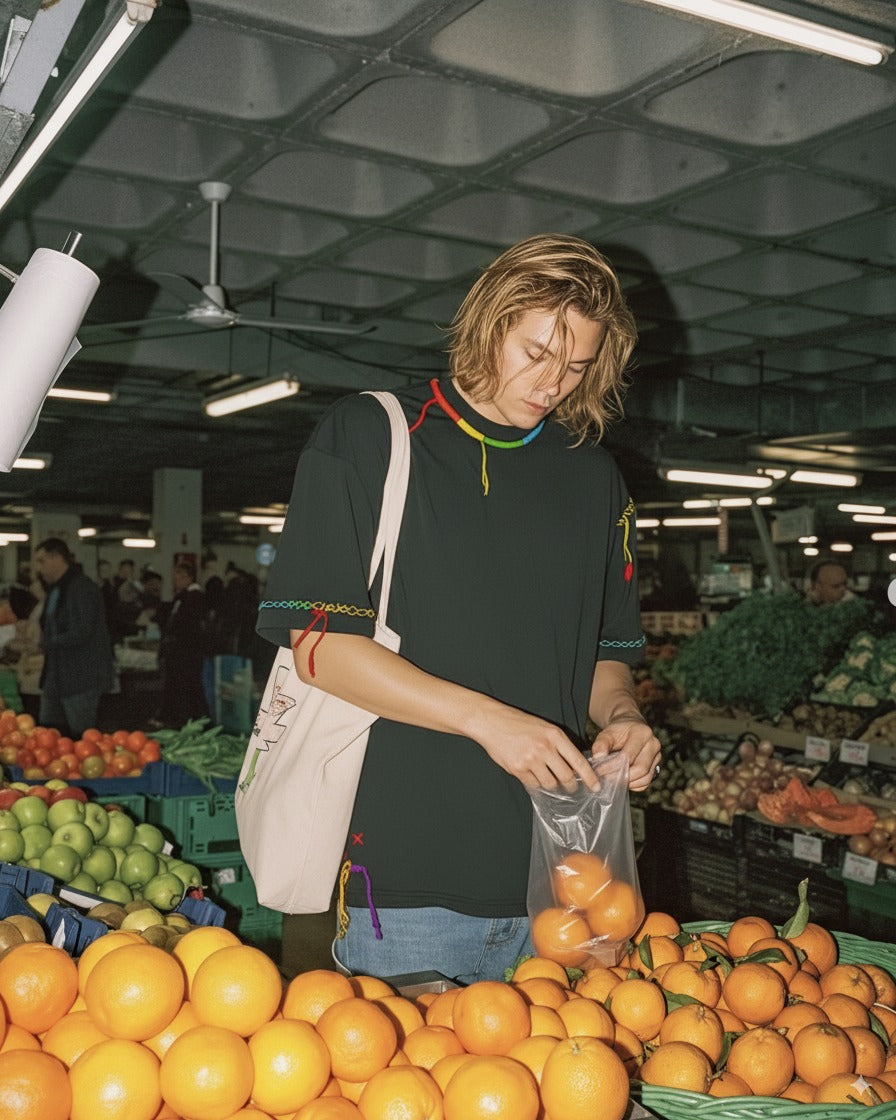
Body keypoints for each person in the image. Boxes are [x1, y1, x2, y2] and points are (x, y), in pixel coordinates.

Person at [257, 234, 661, 984]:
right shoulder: (373, 435)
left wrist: (625, 717)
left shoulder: (595, 478)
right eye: (537, 353)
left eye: (577, 367)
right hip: (411, 881)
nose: (553, 384)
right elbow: (318, 644)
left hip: (568, 880)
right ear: (488, 322)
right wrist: (485, 719)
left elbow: (607, 653)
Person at [33, 538, 114, 737]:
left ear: (56, 558)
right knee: (48, 736)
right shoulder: (55, 590)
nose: (39, 568)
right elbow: (49, 624)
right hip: (56, 677)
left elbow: (82, 631)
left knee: (81, 738)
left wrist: (46, 644)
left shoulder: (82, 588)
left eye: (41, 561)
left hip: (80, 678)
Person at [156, 561, 209, 729]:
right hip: (184, 651)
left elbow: (186, 626)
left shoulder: (194, 598)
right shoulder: (184, 597)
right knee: (186, 686)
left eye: (178, 577)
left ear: (188, 577)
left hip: (187, 652)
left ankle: (188, 720)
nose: (175, 581)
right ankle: (191, 720)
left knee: (187, 686)